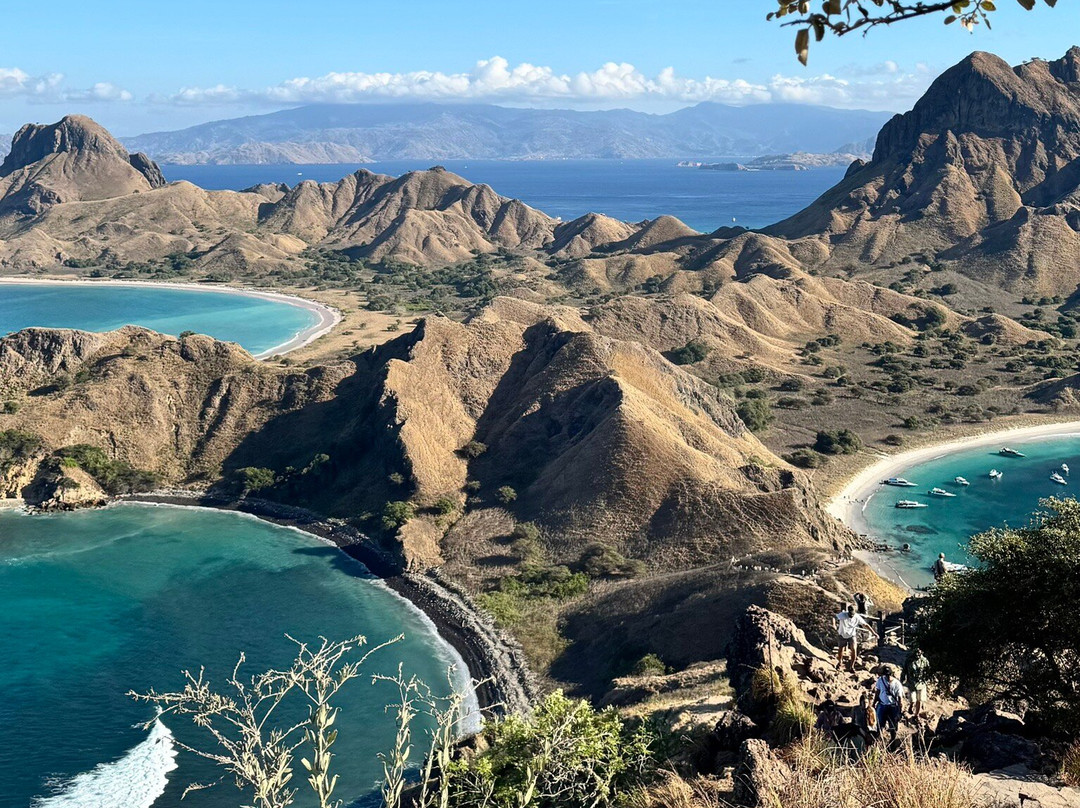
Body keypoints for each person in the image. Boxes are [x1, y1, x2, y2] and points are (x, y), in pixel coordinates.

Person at [835, 604, 873, 671]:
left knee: (854, 649)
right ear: (848, 612)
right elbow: (835, 617)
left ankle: (852, 666)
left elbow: (865, 625)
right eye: (850, 614)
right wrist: (834, 624)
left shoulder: (857, 617)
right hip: (842, 634)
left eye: (852, 614)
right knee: (841, 649)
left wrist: (874, 633)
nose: (851, 616)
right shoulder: (843, 614)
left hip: (852, 635)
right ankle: (840, 662)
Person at [874, 665, 905, 741]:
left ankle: (893, 741)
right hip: (882, 705)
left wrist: (900, 710)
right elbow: (877, 692)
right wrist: (874, 703)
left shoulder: (897, 683)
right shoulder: (880, 680)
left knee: (893, 726)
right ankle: (877, 740)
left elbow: (900, 698)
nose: (887, 676)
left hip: (892, 707)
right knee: (879, 725)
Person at [902, 647, 931, 720]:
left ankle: (916, 714)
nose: (917, 655)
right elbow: (904, 670)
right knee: (913, 699)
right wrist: (902, 679)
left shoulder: (924, 661)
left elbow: (928, 670)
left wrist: (927, 679)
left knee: (920, 699)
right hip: (911, 682)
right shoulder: (909, 660)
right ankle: (911, 705)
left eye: (919, 653)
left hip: (921, 683)